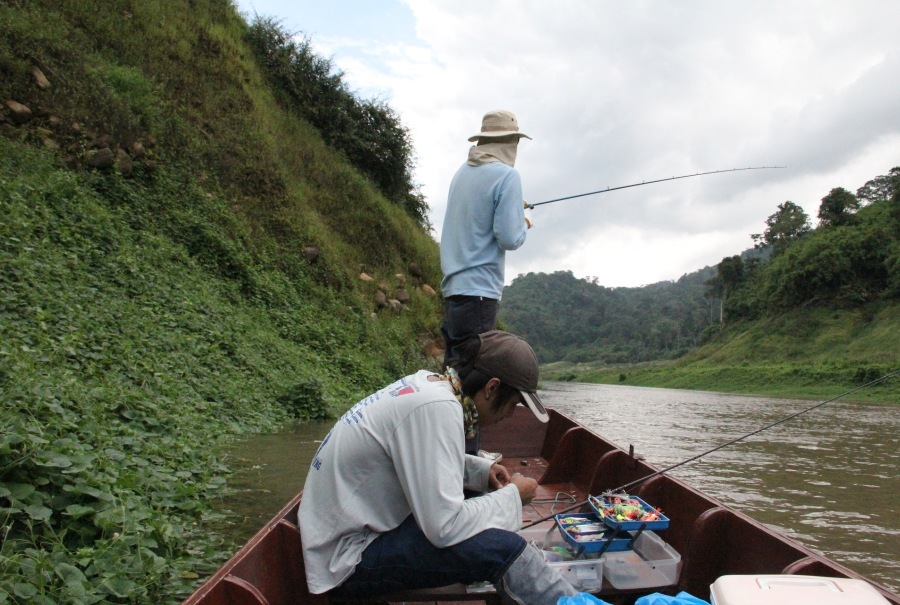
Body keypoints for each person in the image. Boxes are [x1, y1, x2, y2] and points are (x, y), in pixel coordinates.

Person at [298, 331, 577, 605]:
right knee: (502, 549)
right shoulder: (438, 407)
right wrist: (514, 495)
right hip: (346, 559)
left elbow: (416, 456)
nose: (508, 416)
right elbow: (445, 527)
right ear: (491, 388)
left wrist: (480, 471)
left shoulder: (430, 387)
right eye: (513, 404)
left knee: (477, 507)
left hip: (341, 538)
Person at [440, 110, 534, 372]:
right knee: (473, 378)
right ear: (508, 142)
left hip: (453, 291)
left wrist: (513, 209)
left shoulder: (461, 173)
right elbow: (509, 238)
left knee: (453, 375)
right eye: (515, 141)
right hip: (479, 294)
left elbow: (476, 217)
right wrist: (523, 222)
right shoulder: (507, 176)